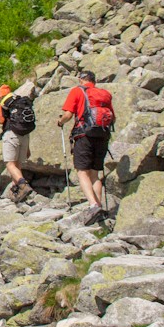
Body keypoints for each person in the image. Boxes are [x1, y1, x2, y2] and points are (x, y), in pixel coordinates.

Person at [56, 70, 115, 226]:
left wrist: (60, 122)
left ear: (81, 80)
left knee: (82, 171)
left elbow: (68, 114)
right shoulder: (104, 94)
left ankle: (93, 205)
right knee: (95, 173)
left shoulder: (77, 91)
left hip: (84, 135)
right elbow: (113, 117)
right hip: (102, 135)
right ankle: (99, 206)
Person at [0, 84, 34, 203]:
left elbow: (1, 120)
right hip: (25, 135)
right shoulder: (20, 101)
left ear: (0, 95)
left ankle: (23, 185)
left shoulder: (3, 104)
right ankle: (17, 191)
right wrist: (27, 148)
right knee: (17, 164)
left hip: (11, 134)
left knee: (9, 164)